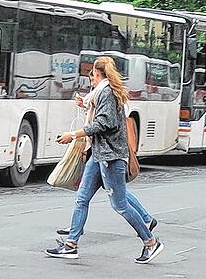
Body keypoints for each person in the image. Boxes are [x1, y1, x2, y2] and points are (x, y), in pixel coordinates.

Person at [45, 56, 164, 264]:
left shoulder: (107, 93)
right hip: (98, 155)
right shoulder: (101, 93)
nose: (90, 80)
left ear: (97, 74)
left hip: (111, 157)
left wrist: (73, 135)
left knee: (120, 204)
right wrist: (85, 105)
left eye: (91, 76)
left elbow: (103, 123)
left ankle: (151, 242)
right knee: (82, 198)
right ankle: (71, 245)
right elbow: (102, 117)